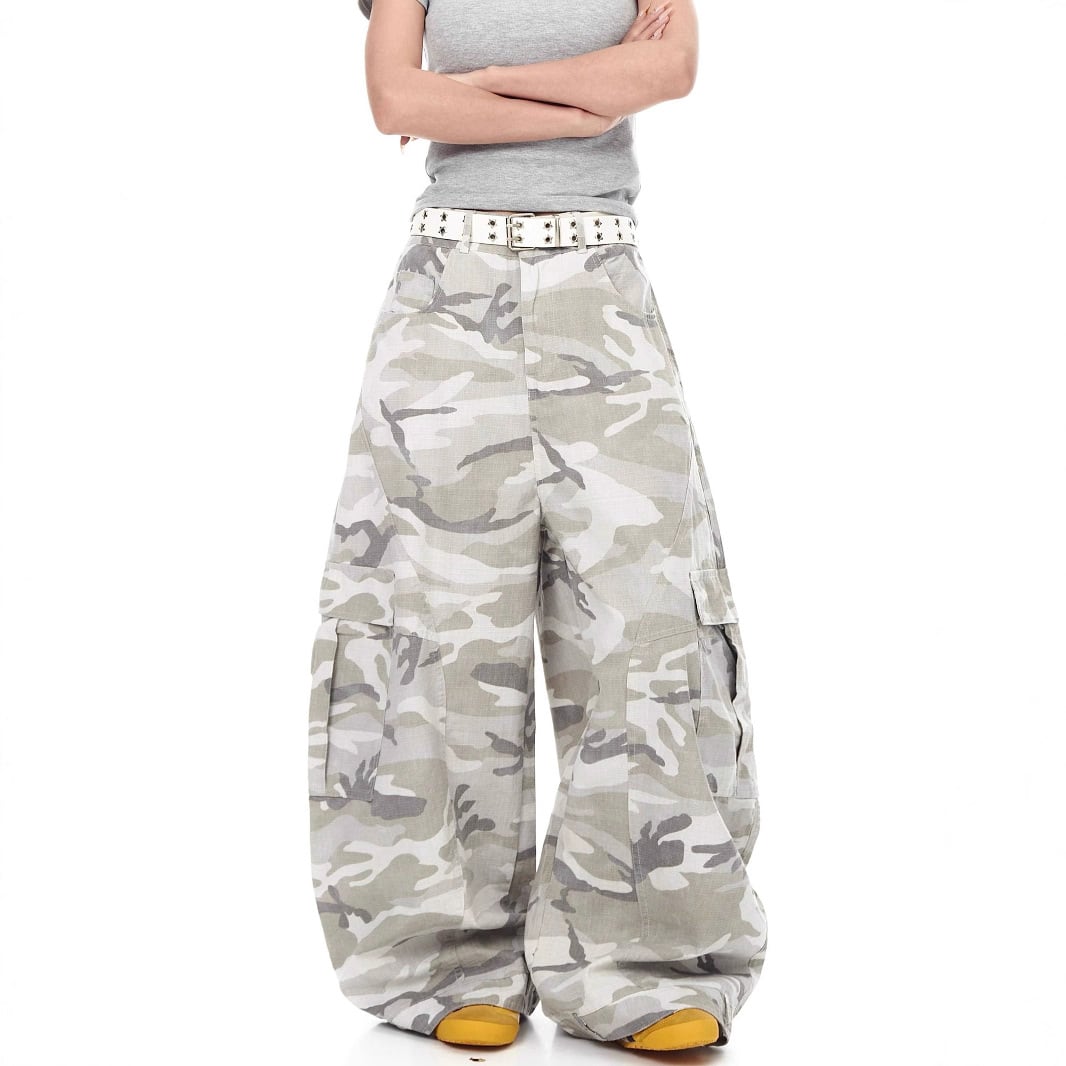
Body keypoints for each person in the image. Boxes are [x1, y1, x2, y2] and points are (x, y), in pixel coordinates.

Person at [306, 0, 767, 1052]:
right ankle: (440, 963)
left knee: (646, 623)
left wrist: (465, 97)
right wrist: (584, 90)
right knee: (431, 626)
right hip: (445, 297)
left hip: (601, 288)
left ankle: (647, 966)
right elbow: (393, 97)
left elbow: (668, 72)